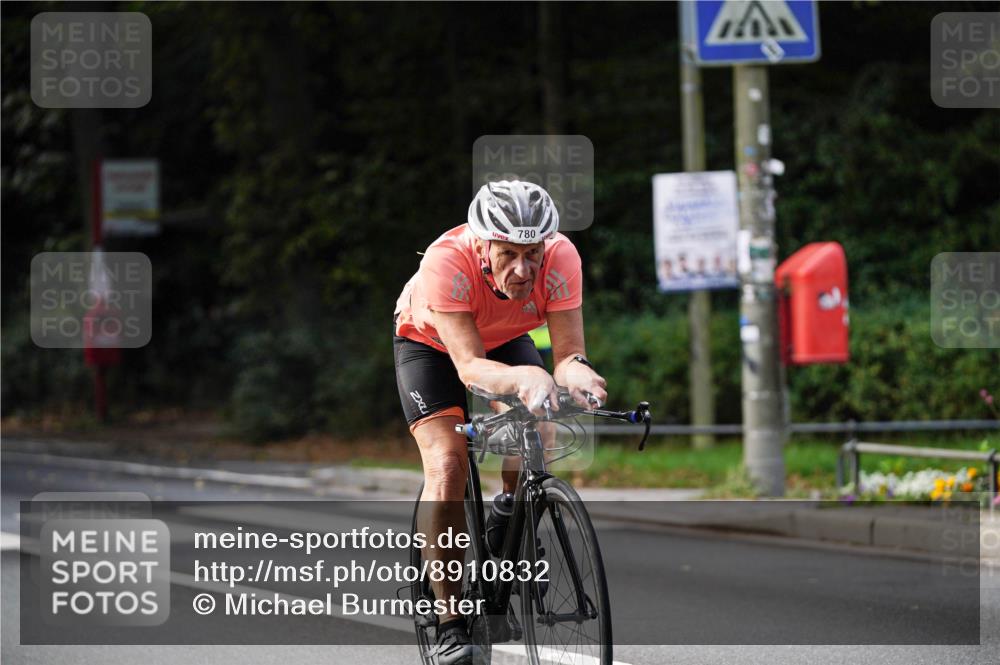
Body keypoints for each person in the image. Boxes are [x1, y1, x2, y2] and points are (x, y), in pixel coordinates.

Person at [393, 180, 607, 664]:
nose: (522, 269)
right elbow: (469, 369)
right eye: (507, 254)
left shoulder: (562, 257)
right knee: (448, 465)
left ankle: (507, 516)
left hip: (506, 339)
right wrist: (528, 378)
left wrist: (580, 376)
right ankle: (450, 620)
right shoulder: (446, 262)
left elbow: (570, 353)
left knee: (542, 427)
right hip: (432, 344)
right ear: (482, 245)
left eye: (532, 254)